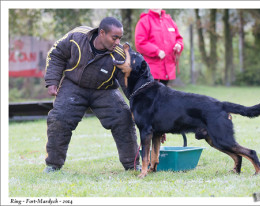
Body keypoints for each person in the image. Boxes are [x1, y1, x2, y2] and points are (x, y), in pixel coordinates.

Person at [44, 17, 140, 173]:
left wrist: (140, 107)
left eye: (119, 38)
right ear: (102, 33)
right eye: (114, 38)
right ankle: (53, 165)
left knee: (123, 118)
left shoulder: (121, 54)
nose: (117, 42)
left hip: (105, 90)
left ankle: (132, 165)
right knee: (59, 118)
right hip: (73, 85)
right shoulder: (77, 37)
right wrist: (52, 81)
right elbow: (56, 54)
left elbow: (130, 84)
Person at [135, 9, 184, 86]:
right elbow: (140, 42)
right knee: (151, 97)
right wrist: (156, 51)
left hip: (167, 70)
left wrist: (178, 45)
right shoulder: (144, 21)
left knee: (163, 97)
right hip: (151, 70)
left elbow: (179, 38)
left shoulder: (169, 21)